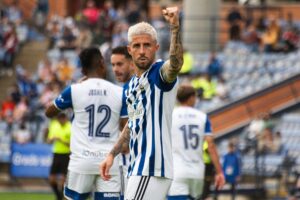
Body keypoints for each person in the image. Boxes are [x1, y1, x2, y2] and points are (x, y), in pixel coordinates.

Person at [100, 6, 184, 200]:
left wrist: (175, 28)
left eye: (147, 45)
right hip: (137, 166)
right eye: (137, 46)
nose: (142, 51)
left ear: (156, 47)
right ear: (130, 50)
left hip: (152, 166)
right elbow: (132, 124)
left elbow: (176, 64)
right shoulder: (130, 86)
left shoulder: (159, 74)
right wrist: (112, 154)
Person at [45, 47, 123, 200]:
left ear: (82, 70)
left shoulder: (74, 91)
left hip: (81, 161)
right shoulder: (119, 92)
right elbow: (125, 126)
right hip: (109, 162)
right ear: (102, 64)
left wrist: (74, 99)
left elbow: (49, 112)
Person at [168, 84, 225, 200]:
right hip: (197, 172)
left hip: (177, 170)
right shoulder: (202, 117)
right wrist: (219, 172)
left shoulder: (170, 115)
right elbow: (211, 146)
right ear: (191, 98)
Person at [110, 46, 134, 199]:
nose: (115, 69)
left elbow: (126, 141)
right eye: (113, 65)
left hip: (130, 160)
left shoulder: (127, 90)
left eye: (120, 64)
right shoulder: (139, 85)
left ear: (132, 63)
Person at [46, 113, 71, 200]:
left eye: (61, 119)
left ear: (65, 119)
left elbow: (72, 145)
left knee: (63, 179)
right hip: (56, 154)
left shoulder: (70, 127)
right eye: (58, 120)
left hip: (66, 154)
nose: (60, 121)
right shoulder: (54, 125)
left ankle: (63, 196)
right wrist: (51, 139)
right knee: (51, 179)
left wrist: (62, 140)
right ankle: (59, 196)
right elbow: (48, 141)